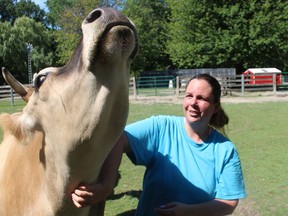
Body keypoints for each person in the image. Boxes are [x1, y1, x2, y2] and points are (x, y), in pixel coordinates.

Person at [71, 73, 247, 216]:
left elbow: (228, 202)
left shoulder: (225, 150)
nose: (193, 103)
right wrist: (107, 185)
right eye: (189, 96)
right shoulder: (162, 127)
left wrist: (188, 212)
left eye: (201, 98)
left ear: (215, 106)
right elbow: (119, 138)